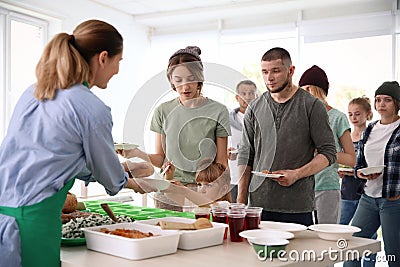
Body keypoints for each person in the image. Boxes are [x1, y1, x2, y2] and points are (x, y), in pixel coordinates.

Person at [0, 20, 154, 267]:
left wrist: (123, 170)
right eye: (119, 61)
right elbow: (110, 177)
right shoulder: (91, 108)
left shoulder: (35, 91)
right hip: (32, 223)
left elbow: (55, 157)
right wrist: (132, 180)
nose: (117, 70)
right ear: (103, 58)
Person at [121, 46, 231, 210]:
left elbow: (222, 163)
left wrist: (216, 195)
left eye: (190, 78)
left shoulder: (218, 111)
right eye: (178, 80)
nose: (185, 86)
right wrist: (136, 153)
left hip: (203, 192)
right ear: (171, 80)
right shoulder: (163, 111)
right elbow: (161, 159)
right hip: (169, 191)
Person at [236, 47, 336, 226]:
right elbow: (246, 154)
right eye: (265, 72)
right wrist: (241, 201)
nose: (269, 78)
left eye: (276, 71)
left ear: (291, 71)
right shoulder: (254, 107)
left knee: (298, 255)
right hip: (259, 206)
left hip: (298, 207)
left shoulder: (312, 106)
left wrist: (297, 174)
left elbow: (328, 153)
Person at [344, 81, 400, 267]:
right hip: (368, 197)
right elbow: (359, 163)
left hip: (393, 200)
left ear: (397, 103)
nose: (381, 104)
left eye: (387, 100)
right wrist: (360, 174)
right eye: (378, 100)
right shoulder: (370, 129)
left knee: (394, 254)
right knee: (351, 247)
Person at [298, 65, 356, 224]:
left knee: (327, 239)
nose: (305, 93)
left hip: (326, 188)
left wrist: (325, 152)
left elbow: (351, 159)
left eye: (310, 88)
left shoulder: (338, 118)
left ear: (320, 91)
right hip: (301, 188)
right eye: (302, 89)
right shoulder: (300, 118)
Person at [339, 96, 377, 266]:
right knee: (343, 230)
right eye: (350, 114)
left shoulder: (373, 135)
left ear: (368, 114)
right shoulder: (346, 136)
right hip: (347, 192)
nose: (353, 117)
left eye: (357, 114)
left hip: (367, 192)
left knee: (368, 235)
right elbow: (344, 160)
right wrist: (340, 171)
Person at [228, 80, 257, 202]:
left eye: (251, 93)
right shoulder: (227, 120)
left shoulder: (262, 119)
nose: (248, 97)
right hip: (234, 177)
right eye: (243, 94)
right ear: (237, 97)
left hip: (255, 177)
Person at [162, 158, 232, 206]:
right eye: (199, 185)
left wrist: (184, 190)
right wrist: (169, 176)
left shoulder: (224, 205)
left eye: (208, 185)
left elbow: (211, 206)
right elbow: (169, 194)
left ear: (223, 190)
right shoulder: (192, 202)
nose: (202, 190)